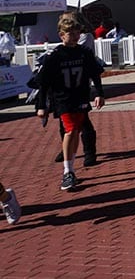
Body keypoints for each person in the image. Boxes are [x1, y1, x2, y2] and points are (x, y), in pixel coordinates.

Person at [32, 12, 105, 191]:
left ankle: (71, 167)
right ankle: (67, 172)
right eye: (70, 33)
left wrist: (99, 93)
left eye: (76, 33)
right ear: (61, 35)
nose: (74, 36)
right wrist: (41, 106)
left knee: (76, 131)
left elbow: (95, 73)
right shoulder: (55, 56)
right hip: (63, 99)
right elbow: (43, 83)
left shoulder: (83, 53)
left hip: (80, 97)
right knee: (71, 130)